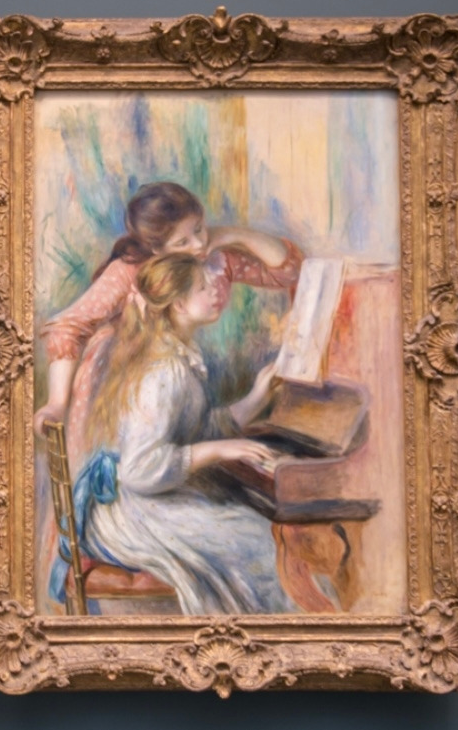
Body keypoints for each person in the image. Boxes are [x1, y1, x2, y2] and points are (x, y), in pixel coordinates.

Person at [74, 253, 296, 614]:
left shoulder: (177, 355)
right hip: (132, 511)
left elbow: (197, 430)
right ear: (178, 304)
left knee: (255, 528)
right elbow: (141, 470)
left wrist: (256, 396)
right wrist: (221, 451)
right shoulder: (163, 372)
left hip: (147, 498)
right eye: (203, 287)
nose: (217, 291)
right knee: (253, 539)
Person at [35, 181, 303, 475]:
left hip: (172, 377)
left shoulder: (210, 257)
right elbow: (68, 328)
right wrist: (57, 403)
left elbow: (289, 271)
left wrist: (231, 234)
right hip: (117, 381)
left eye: (199, 229)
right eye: (182, 242)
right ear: (156, 249)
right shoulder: (131, 270)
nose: (198, 244)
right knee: (123, 472)